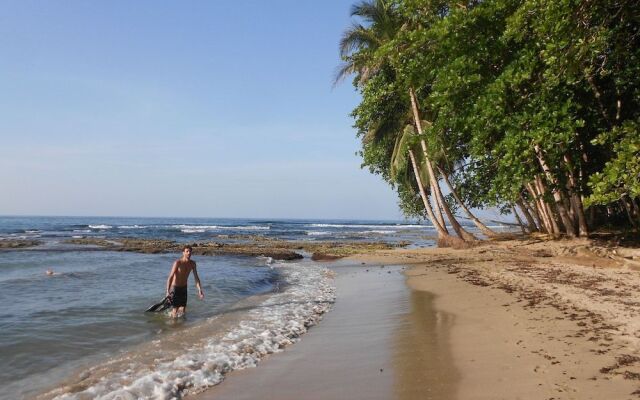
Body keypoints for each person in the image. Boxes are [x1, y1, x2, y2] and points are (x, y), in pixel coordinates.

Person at [166, 245, 204, 317]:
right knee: (175, 309)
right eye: (187, 251)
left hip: (184, 288)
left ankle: (182, 324)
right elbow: (170, 277)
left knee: (183, 309)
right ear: (183, 253)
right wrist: (167, 291)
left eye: (190, 251)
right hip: (175, 288)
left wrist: (199, 290)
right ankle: (173, 325)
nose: (189, 253)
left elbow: (196, 277)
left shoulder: (192, 263)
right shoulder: (178, 263)